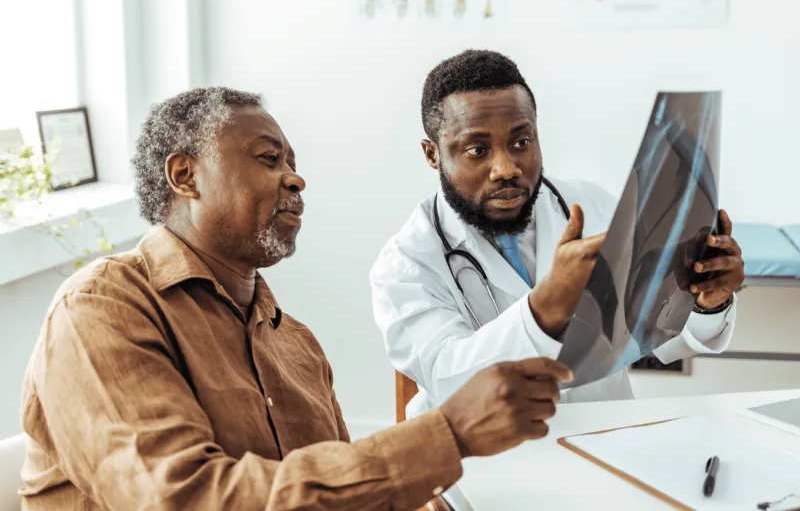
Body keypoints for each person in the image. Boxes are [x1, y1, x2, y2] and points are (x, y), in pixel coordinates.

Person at [19, 87, 571, 510]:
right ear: (185, 176)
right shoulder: (101, 308)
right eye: (269, 159)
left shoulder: (295, 344)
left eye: (294, 164)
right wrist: (446, 435)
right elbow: (183, 499)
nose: (296, 180)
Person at [371, 50, 744, 420]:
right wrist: (544, 308)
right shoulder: (406, 264)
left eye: (521, 142)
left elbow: (656, 336)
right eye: (477, 150)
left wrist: (705, 303)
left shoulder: (593, 205)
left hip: (603, 436)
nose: (506, 168)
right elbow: (447, 378)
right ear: (432, 154)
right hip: (483, 462)